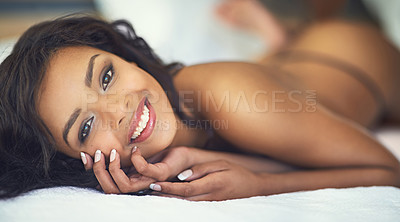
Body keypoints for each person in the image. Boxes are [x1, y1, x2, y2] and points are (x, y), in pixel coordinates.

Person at [1, 1, 400, 201]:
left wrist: (261, 185)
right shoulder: (156, 151)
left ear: (123, 54)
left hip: (363, 57)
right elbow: (273, 150)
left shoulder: (229, 95)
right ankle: (277, 40)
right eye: (85, 127)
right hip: (287, 73)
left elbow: (386, 170)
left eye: (106, 76)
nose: (118, 109)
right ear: (75, 163)